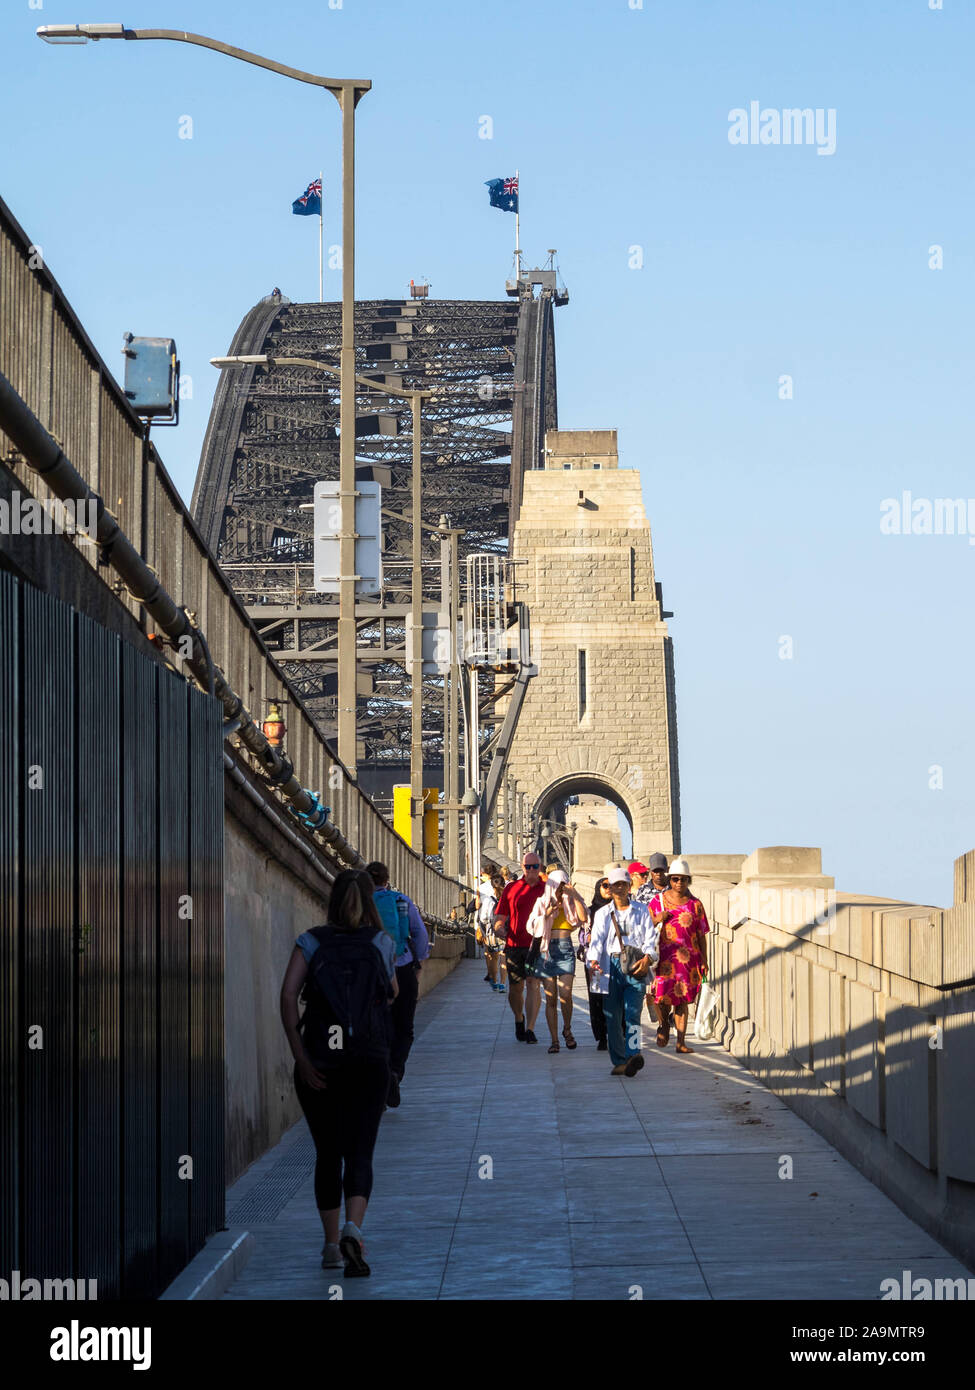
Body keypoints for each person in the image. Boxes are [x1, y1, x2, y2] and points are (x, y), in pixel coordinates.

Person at [279, 869, 397, 1278]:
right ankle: (354, 1230)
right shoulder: (380, 942)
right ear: (369, 901)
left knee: (328, 1153)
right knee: (361, 1150)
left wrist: (300, 1055)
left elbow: (288, 996)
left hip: (321, 1062)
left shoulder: (311, 942)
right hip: (368, 1060)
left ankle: (331, 1246)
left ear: (332, 900)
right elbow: (393, 992)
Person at [365, 862, 430, 1108]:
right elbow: (420, 933)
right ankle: (394, 1071)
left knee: (376, 1027)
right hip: (402, 967)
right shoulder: (401, 900)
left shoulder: (360, 902)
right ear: (387, 880)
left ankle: (379, 1079)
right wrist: (419, 961)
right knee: (404, 1028)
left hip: (371, 971)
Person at [587, 867, 659, 1077]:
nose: (619, 888)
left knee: (633, 1014)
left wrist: (647, 958)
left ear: (629, 886)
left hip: (636, 965)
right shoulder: (603, 914)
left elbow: (650, 939)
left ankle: (633, 1054)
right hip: (611, 966)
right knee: (613, 1016)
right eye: (614, 885)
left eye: (622, 884)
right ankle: (619, 1060)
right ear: (609, 888)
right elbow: (597, 940)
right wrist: (593, 961)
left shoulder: (641, 910)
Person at [650, 857, 710, 1055]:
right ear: (670, 879)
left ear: (688, 881)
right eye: (675, 879)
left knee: (682, 1001)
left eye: (683, 879)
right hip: (663, 960)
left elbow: (701, 935)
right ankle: (663, 1025)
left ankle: (681, 1042)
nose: (679, 883)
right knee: (660, 998)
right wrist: (658, 918)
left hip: (688, 961)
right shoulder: (658, 901)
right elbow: (645, 927)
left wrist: (704, 960)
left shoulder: (696, 904)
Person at [527, 869, 588, 1053]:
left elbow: (583, 918)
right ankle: (554, 1040)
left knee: (566, 994)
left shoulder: (571, 901)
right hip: (546, 950)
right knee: (551, 998)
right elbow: (531, 925)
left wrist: (574, 894)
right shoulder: (542, 902)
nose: (560, 890)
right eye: (557, 886)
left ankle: (567, 1029)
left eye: (563, 885)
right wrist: (546, 913)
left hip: (565, 948)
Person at [494, 853, 546, 1043]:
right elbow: (500, 916)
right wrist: (499, 927)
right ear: (522, 867)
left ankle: (530, 1028)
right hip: (514, 944)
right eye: (527, 866)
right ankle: (519, 1018)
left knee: (533, 984)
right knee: (516, 988)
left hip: (537, 945)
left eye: (535, 866)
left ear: (540, 867)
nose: (531, 870)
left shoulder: (547, 889)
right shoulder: (512, 888)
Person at [581, 876, 613, 1049]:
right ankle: (602, 1036)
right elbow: (582, 935)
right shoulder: (590, 911)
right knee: (596, 998)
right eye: (605, 885)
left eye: (612, 885)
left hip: (616, 961)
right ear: (598, 888)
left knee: (616, 998)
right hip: (595, 962)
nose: (609, 888)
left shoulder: (621, 909)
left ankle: (620, 1034)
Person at [479, 873, 507, 992]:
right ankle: (502, 983)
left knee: (493, 958)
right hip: (505, 931)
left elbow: (483, 918)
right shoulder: (507, 898)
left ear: (492, 885)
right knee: (503, 957)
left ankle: (494, 982)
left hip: (492, 932)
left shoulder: (488, 900)